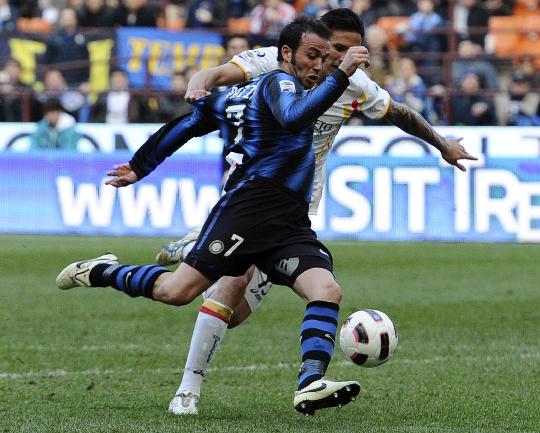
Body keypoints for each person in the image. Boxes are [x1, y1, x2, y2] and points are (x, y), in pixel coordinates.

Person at [167, 8, 477, 416]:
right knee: (232, 282)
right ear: (313, 45)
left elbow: (399, 113)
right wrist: (200, 81)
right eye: (334, 48)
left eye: (351, 50)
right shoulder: (271, 63)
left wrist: (442, 144)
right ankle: (187, 392)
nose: (341, 57)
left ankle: (196, 249)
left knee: (233, 313)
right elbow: (221, 74)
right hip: (251, 197)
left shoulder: (356, 85)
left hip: (297, 211)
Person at [56, 16, 372, 416]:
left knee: (326, 290)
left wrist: (141, 166)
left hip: (289, 220)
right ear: (287, 53)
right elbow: (294, 117)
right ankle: (100, 271)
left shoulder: (239, 95)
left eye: (325, 59)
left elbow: (188, 124)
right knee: (176, 292)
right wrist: (341, 75)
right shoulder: (280, 84)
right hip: (247, 211)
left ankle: (310, 383)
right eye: (313, 56)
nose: (318, 65)